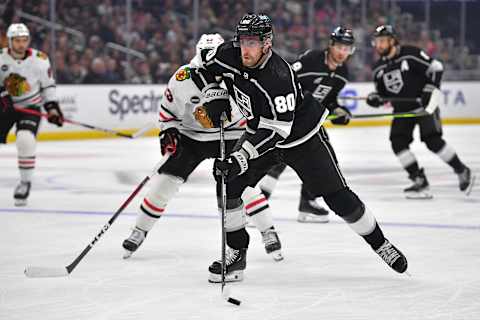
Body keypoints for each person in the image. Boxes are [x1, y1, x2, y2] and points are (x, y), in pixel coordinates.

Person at [192, 14, 408, 283]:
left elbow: (276, 131)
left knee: (338, 198)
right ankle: (237, 254)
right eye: (243, 41)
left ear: (267, 44)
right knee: (228, 185)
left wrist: (240, 157)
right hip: (261, 129)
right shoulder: (228, 53)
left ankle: (380, 243)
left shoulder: (278, 76)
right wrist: (214, 94)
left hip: (301, 138)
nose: (245, 49)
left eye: (253, 43)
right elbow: (200, 69)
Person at [122, 34, 283, 261]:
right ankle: (140, 229)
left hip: (232, 135)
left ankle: (268, 230)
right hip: (193, 138)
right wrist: (168, 131)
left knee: (240, 183)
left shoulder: (239, 73)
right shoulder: (183, 77)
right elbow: (168, 111)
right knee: (165, 183)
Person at [258, 26, 355, 223]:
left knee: (321, 160)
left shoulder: (343, 73)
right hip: (289, 117)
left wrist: (339, 111)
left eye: (347, 49)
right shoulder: (312, 60)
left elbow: (329, 100)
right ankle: (260, 206)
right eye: (340, 47)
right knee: (278, 162)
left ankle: (306, 203)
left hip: (310, 121)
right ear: (331, 45)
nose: (343, 52)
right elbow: (285, 79)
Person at [366, 25, 475, 199]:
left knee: (432, 140)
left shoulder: (410, 53)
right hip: (402, 111)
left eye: (382, 41)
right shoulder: (378, 68)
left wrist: (431, 88)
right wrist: (376, 99)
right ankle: (418, 179)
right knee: (398, 143)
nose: (378, 45)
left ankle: (462, 170)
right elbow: (385, 95)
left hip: (425, 106)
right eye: (376, 42)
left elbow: (437, 67)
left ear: (392, 41)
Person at [0, 23, 64, 206]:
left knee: (25, 140)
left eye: (24, 40)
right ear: (10, 41)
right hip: (5, 107)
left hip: (30, 107)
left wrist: (51, 108)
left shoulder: (40, 59)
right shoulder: (0, 58)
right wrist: (3, 97)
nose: (21, 44)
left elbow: (48, 86)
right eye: (17, 41)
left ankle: (24, 182)